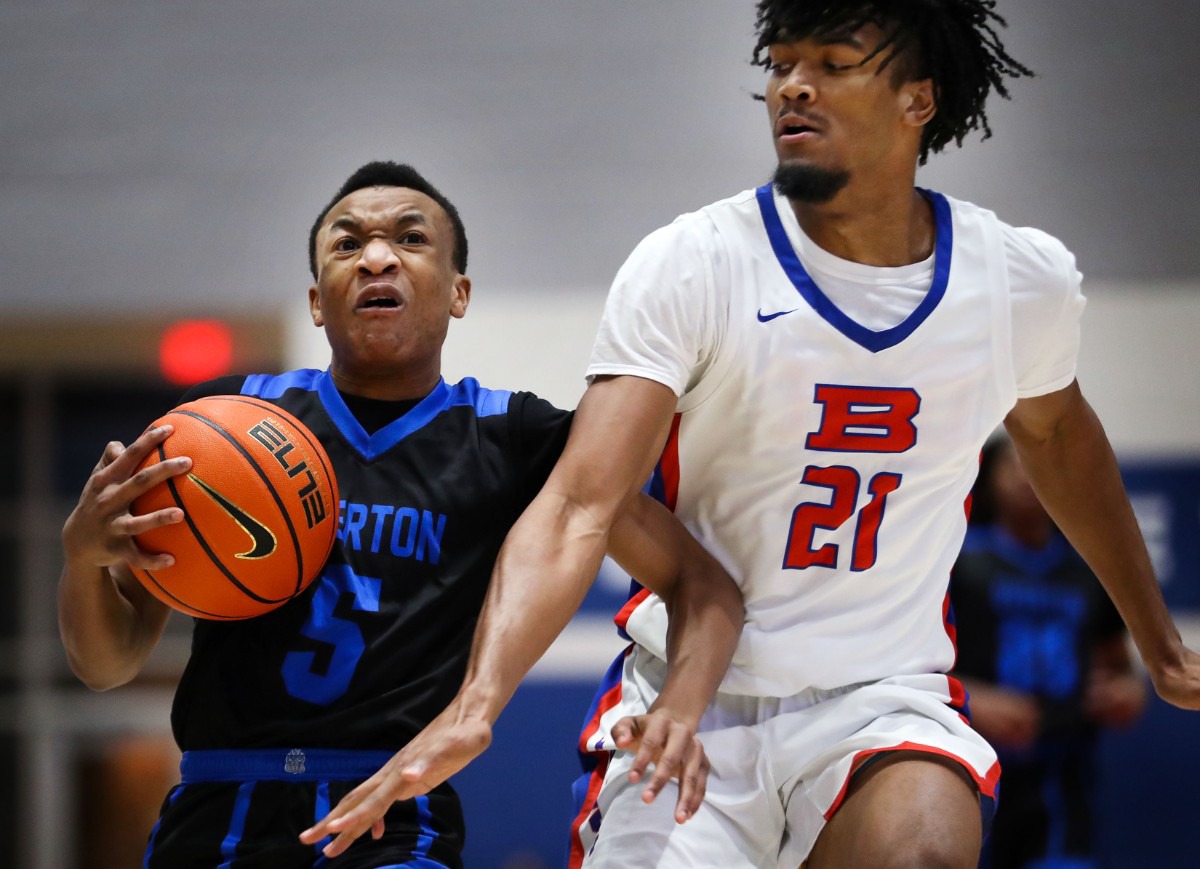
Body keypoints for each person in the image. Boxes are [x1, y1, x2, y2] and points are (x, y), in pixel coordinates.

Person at [304, 3, 1200, 867]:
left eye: (834, 65)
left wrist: (1155, 639)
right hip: (694, 699)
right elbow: (580, 502)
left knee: (924, 845)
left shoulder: (1017, 280)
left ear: (917, 99)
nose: (794, 89)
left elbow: (1060, 440)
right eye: (781, 67)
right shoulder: (696, 261)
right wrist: (478, 704)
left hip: (883, 696)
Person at [58, 161, 743, 868]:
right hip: (215, 803)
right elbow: (107, 663)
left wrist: (681, 708)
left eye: (409, 239)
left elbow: (704, 585)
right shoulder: (226, 421)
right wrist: (82, 559)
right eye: (347, 244)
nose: (377, 257)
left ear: (459, 293)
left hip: (393, 807)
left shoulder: (514, 437)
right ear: (317, 300)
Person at [951, 435, 1147, 868]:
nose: (1025, 476)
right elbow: (914, 666)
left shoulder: (1090, 569)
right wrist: (972, 700)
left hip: (1061, 772)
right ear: (987, 478)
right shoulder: (958, 562)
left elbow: (1120, 667)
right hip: (970, 762)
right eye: (1012, 465)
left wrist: (1127, 691)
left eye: (1035, 466)